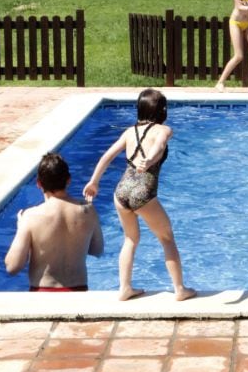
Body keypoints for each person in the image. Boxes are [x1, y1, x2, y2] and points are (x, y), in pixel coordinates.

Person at [83, 88, 196, 302]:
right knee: (166, 238)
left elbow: (107, 156)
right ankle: (180, 289)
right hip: (143, 193)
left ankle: (124, 288)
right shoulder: (163, 129)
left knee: (130, 239)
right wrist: (150, 160)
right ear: (161, 110)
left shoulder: (129, 132)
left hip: (121, 192)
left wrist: (94, 181)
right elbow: (159, 145)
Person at [4, 152, 104, 292]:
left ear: (39, 183)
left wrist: (21, 227)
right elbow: (97, 251)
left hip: (43, 296)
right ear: (68, 180)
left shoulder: (31, 216)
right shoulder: (88, 211)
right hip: (79, 294)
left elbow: (12, 267)